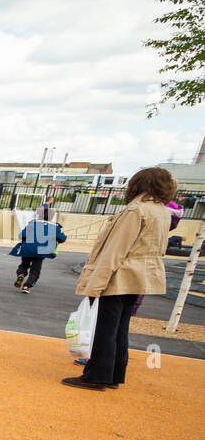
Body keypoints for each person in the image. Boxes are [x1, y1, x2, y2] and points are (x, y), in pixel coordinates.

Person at [64, 167, 178, 391]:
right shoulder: (162, 211)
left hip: (121, 275)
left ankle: (96, 375)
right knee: (120, 327)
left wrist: (95, 285)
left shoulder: (135, 210)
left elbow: (114, 250)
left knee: (106, 328)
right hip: (140, 276)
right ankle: (114, 373)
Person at [10, 203, 67, 293]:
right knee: (35, 270)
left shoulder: (32, 224)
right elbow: (62, 238)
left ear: (39, 216)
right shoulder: (54, 227)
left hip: (28, 249)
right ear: (51, 217)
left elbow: (22, 235)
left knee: (24, 264)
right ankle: (26, 286)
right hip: (42, 251)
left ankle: (21, 274)